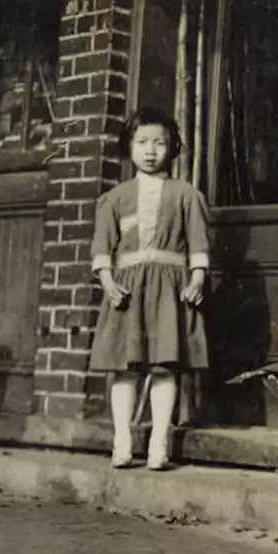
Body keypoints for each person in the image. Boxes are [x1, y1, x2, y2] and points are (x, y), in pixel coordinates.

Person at [88, 107, 211, 471]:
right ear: (129, 147)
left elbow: (199, 245)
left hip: (169, 293)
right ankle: (122, 440)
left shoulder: (186, 195)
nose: (151, 150)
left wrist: (198, 279)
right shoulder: (115, 198)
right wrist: (108, 282)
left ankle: (159, 443)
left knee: (163, 366)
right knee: (125, 368)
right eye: (142, 142)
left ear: (173, 147)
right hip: (126, 292)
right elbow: (100, 249)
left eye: (160, 142)